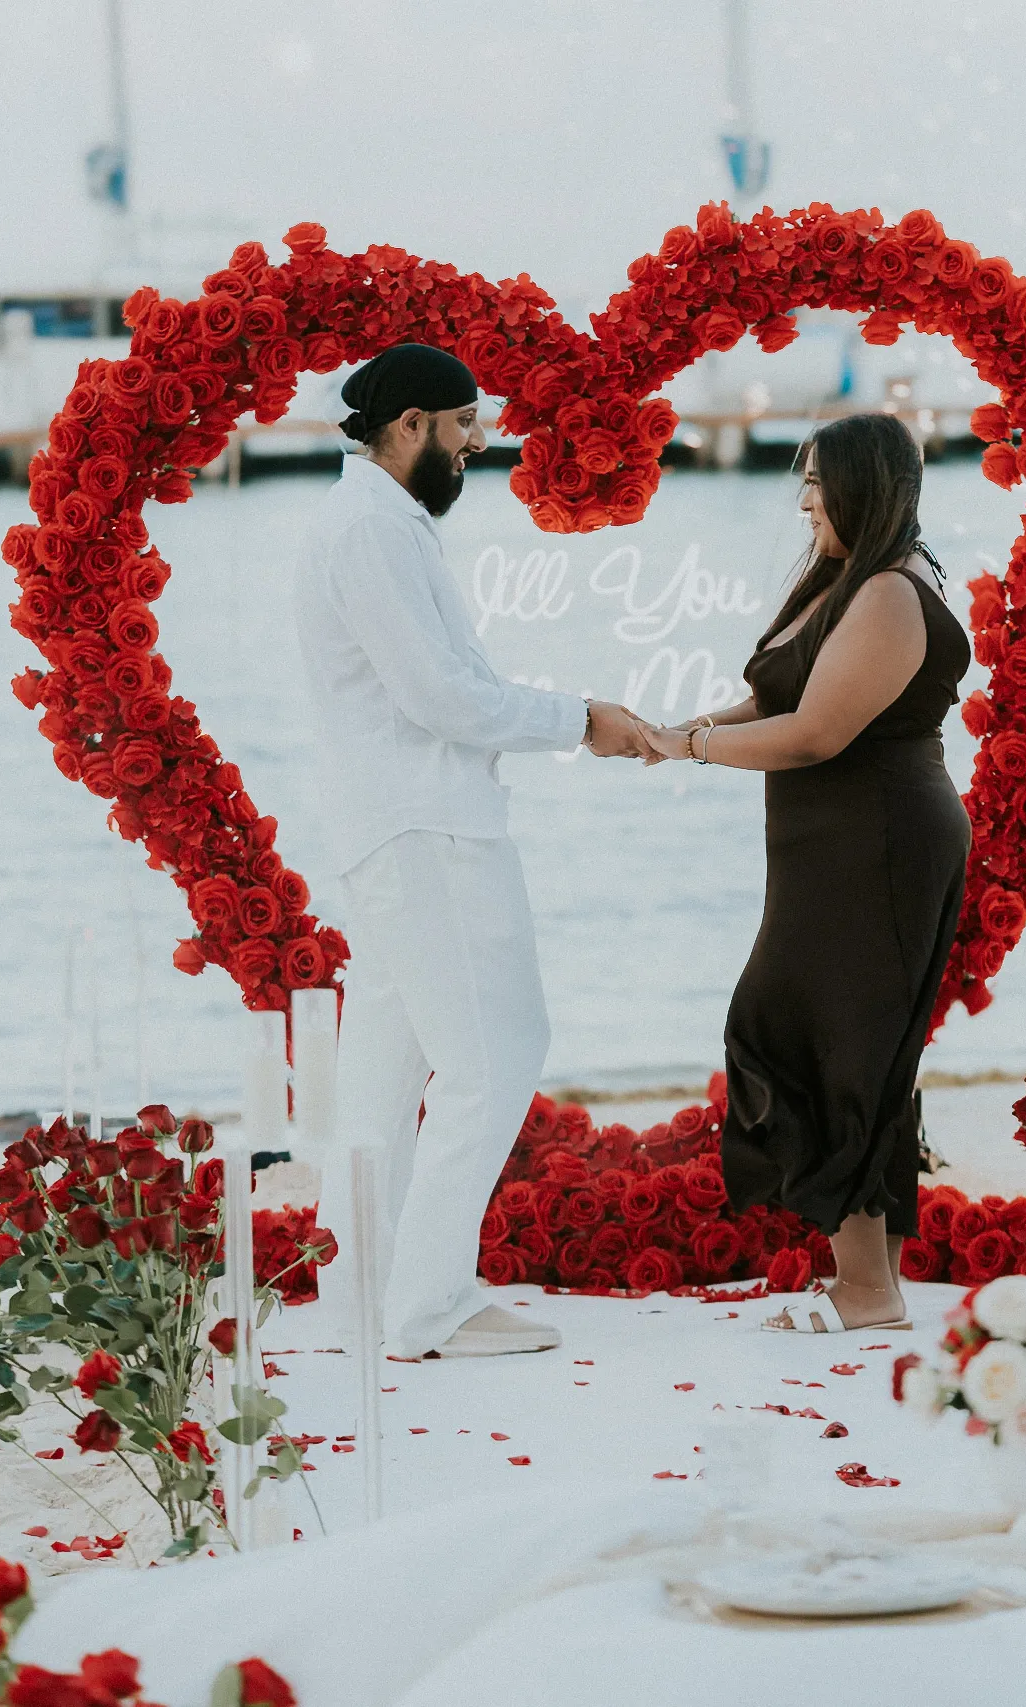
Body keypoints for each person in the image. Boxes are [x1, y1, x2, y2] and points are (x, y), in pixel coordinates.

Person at [292, 342, 650, 1361]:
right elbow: (440, 697)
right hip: (427, 826)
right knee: (493, 1056)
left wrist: (571, 717)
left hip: (393, 822)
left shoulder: (367, 521)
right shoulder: (371, 529)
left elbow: (441, 680)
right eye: (462, 428)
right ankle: (430, 1304)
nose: (476, 445)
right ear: (410, 426)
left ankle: (364, 1296)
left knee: (384, 1070)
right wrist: (582, 719)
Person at [639, 412, 973, 1332]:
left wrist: (698, 747)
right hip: (835, 844)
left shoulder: (890, 596)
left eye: (818, 482)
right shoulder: (847, 582)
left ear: (862, 485)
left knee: (842, 1045)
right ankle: (868, 1281)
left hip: (879, 841)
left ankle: (869, 1289)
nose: (804, 498)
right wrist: (674, 736)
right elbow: (775, 697)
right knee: (822, 1036)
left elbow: (819, 732)